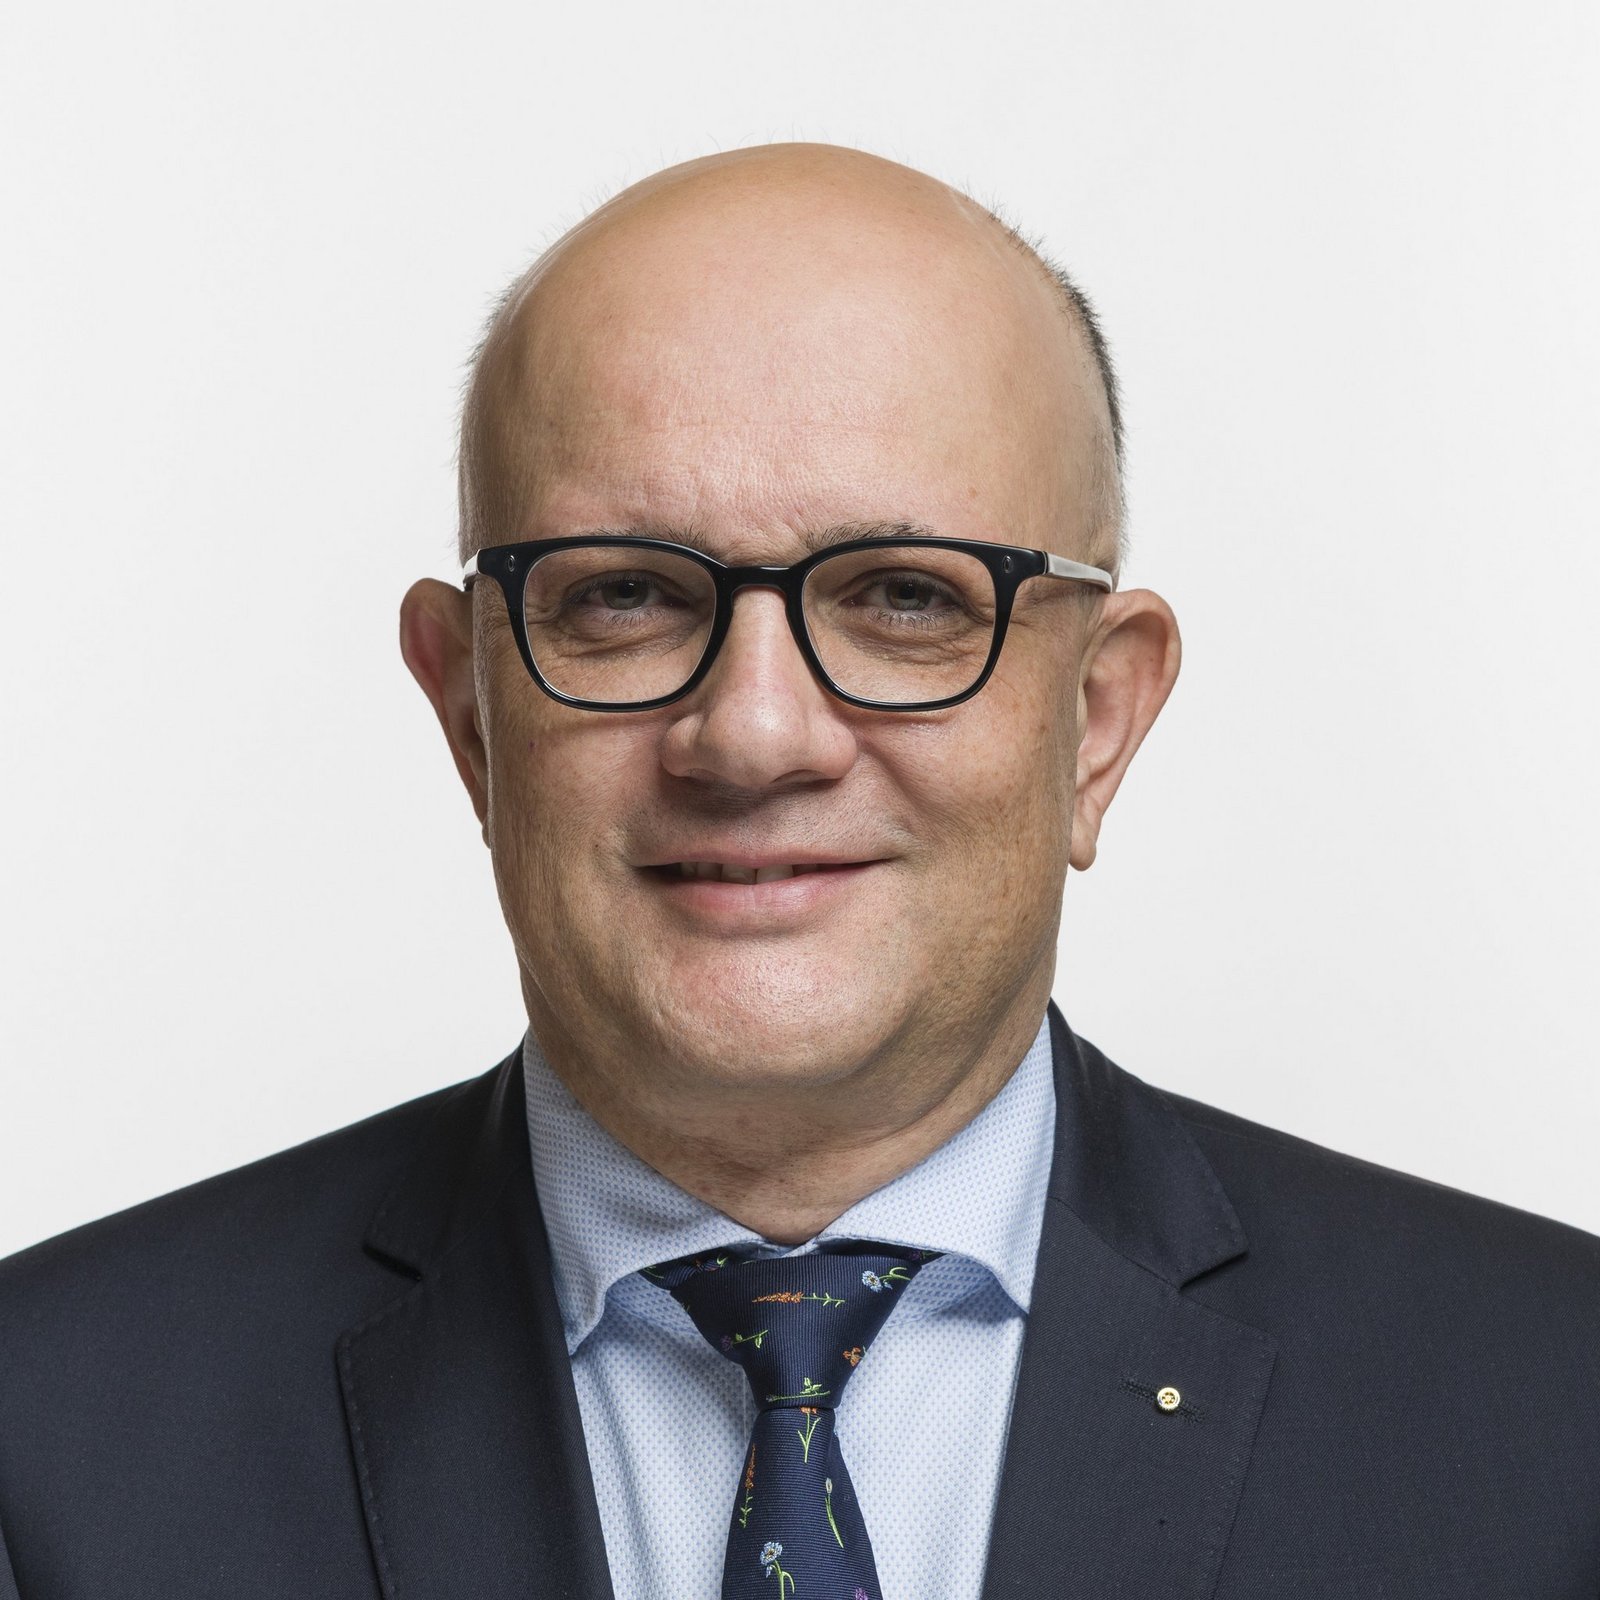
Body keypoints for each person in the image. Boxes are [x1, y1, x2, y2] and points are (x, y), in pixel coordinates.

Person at [0, 141, 1595, 1600]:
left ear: (1097, 722)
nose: (754, 735)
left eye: (906, 598)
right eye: (623, 596)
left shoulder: (1553, 1416)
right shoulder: (47, 1441)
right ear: (469, 711)